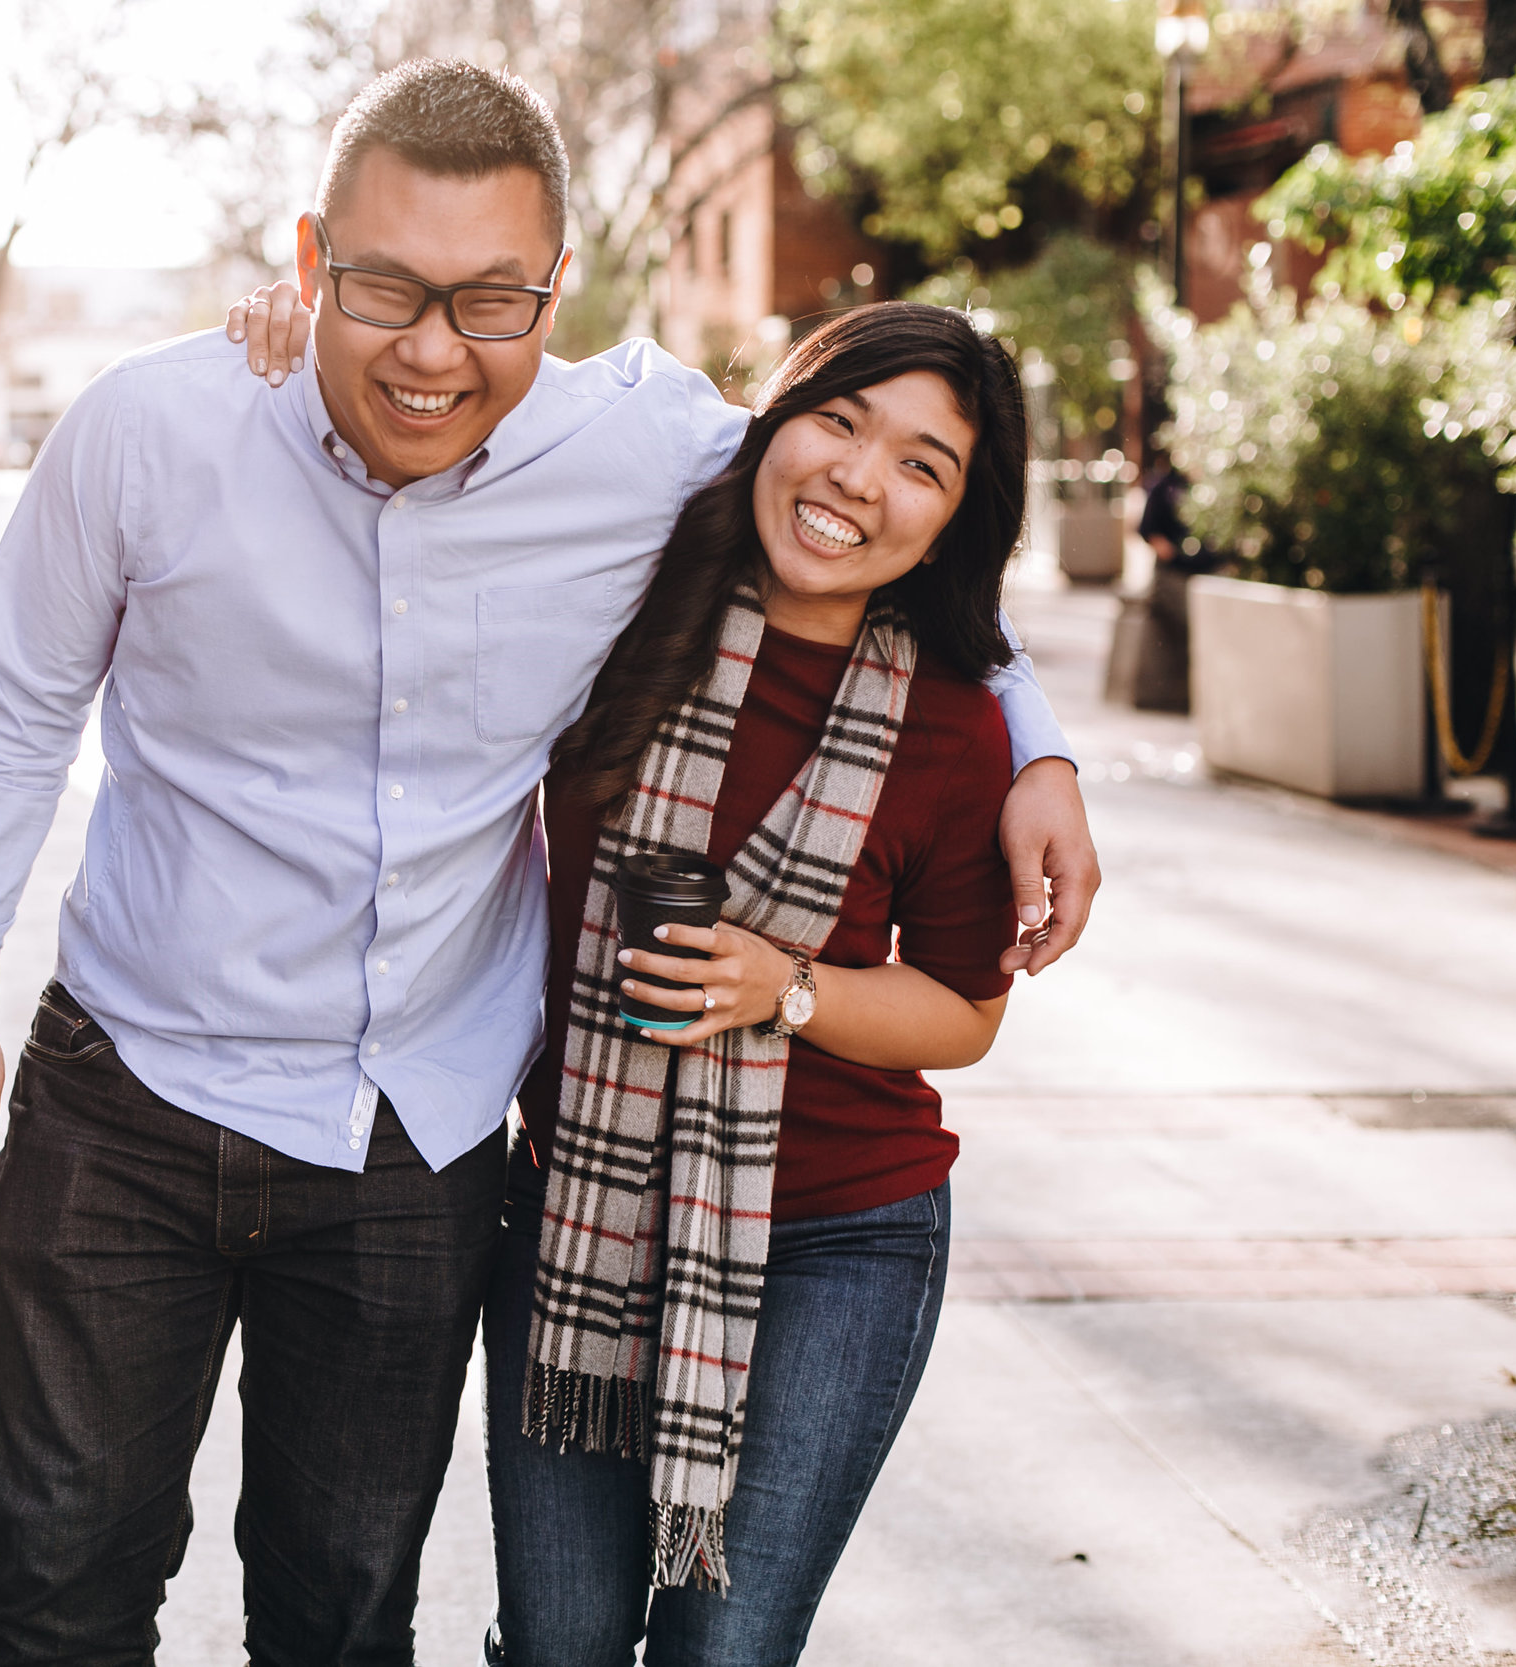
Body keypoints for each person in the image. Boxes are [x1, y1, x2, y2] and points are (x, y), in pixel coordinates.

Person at [0, 61, 1095, 1666]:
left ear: (559, 289)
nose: (436, 350)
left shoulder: (646, 447)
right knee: (64, 1594)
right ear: (311, 259)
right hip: (131, 1103)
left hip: (416, 1132)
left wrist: (1039, 742)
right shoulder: (153, 429)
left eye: (492, 300)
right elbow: (10, 716)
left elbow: (865, 507)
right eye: (385, 287)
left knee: (341, 1614)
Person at [486, 302, 1026, 1665]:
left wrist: (787, 986)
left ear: (958, 519)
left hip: (839, 1236)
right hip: (581, 1212)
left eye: (923, 464)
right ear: (771, 421)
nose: (859, 479)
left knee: (723, 1653)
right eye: (839, 422)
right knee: (559, 1647)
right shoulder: (624, 604)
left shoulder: (958, 724)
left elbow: (966, 1015)